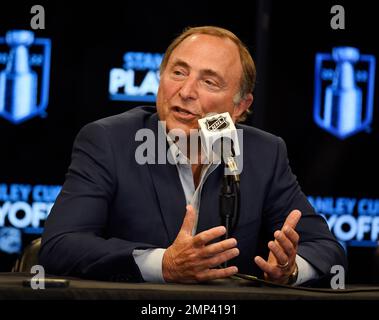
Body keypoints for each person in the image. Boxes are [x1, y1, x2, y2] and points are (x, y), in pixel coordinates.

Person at [39, 26, 346, 285]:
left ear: (239, 107)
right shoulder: (109, 140)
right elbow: (60, 245)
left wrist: (290, 270)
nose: (186, 91)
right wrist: (163, 264)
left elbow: (327, 249)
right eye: (178, 72)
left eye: (209, 81)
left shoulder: (264, 153)